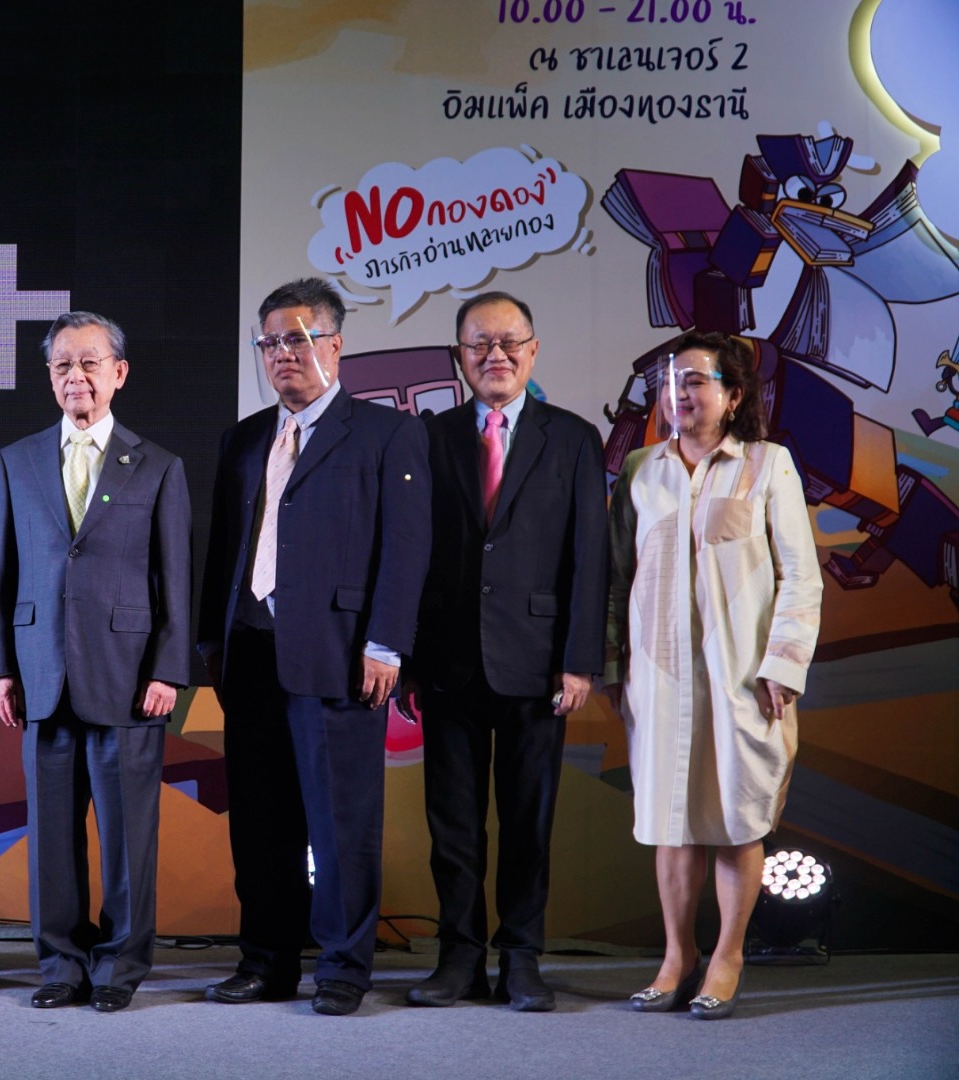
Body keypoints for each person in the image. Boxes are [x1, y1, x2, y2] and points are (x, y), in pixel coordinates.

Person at [199, 277, 430, 1016]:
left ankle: (342, 966)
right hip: (250, 654)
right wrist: (210, 642)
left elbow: (406, 549)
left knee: (340, 823)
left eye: (297, 339)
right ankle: (265, 962)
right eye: (269, 342)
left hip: (340, 654)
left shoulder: (386, 433)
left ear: (335, 344)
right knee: (260, 822)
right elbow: (223, 549)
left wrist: (385, 645)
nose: (282, 353)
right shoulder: (242, 438)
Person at [607, 330, 822, 1020]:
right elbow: (616, 578)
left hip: (743, 679)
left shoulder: (767, 464)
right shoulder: (640, 470)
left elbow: (800, 577)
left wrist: (783, 665)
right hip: (658, 677)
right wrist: (612, 665)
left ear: (733, 396)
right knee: (670, 821)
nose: (680, 393)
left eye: (696, 381)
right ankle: (676, 958)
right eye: (670, 382)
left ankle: (727, 957)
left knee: (735, 818)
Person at [406, 292, 608, 1012]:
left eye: (508, 342)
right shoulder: (428, 437)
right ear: (458, 356)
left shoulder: (573, 437)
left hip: (538, 662)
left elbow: (590, 555)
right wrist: (406, 660)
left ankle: (521, 957)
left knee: (528, 822)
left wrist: (579, 658)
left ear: (532, 350)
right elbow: (408, 553)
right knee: (453, 826)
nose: (494, 355)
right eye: (478, 344)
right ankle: (459, 957)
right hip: (447, 663)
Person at [0, 311, 191, 1013]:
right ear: (49, 378)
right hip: (40, 673)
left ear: (118, 373)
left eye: (89, 363)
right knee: (50, 837)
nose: (75, 376)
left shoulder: (158, 465)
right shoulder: (15, 462)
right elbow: (0, 574)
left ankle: (119, 967)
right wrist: (0, 668)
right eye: (62, 365)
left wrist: (168, 669)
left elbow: (175, 578)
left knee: (128, 837)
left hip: (129, 679)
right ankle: (60, 966)